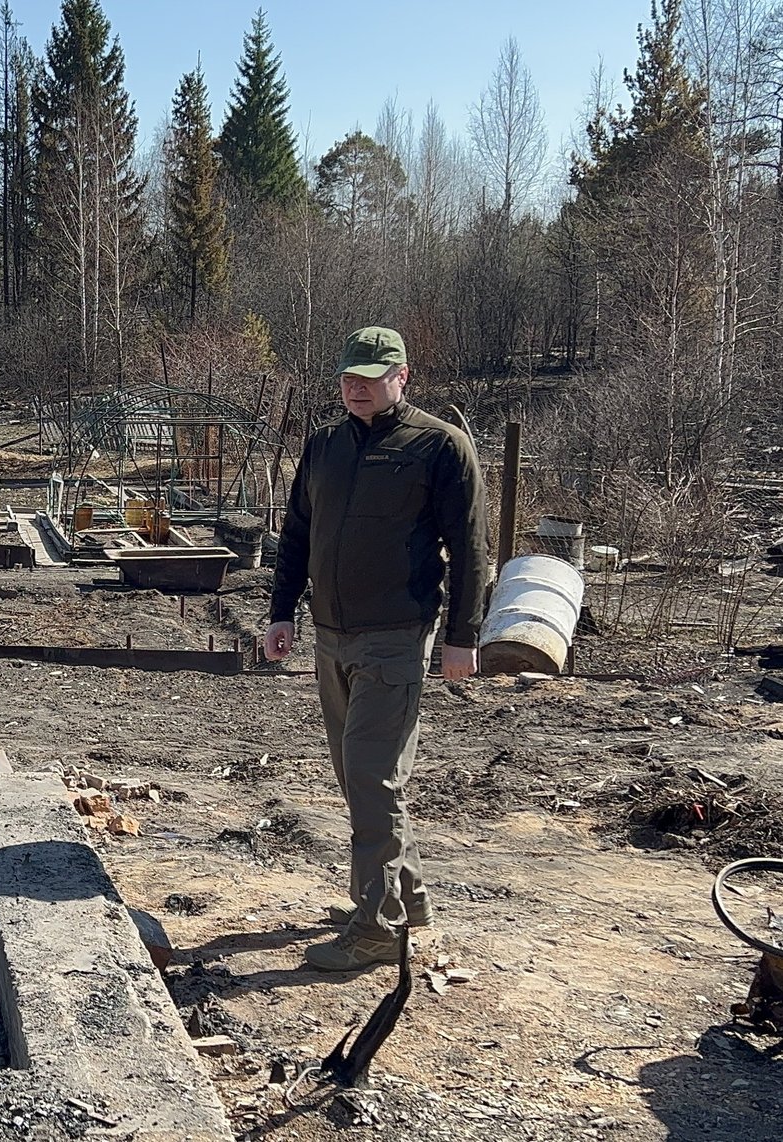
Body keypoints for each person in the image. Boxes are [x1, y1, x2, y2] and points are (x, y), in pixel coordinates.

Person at [263, 326, 487, 972]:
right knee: (363, 779)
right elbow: (297, 534)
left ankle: (377, 927)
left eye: (371, 374)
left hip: (395, 639)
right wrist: (281, 613)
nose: (356, 386)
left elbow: (471, 549)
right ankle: (405, 900)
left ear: (402, 377)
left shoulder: (439, 447)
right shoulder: (326, 447)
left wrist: (462, 637)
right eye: (348, 375)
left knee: (370, 774)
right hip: (331, 639)